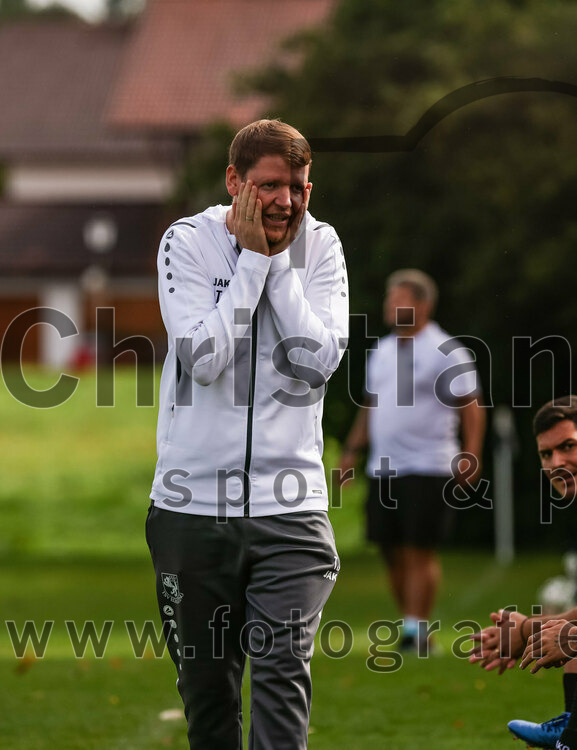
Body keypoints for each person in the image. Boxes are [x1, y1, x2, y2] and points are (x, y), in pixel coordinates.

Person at [146, 119, 348, 749]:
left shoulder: (323, 246)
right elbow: (204, 358)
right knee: (207, 700)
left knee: (283, 675)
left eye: (298, 186)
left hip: (293, 511)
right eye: (268, 186)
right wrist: (250, 266)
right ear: (233, 181)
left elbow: (317, 360)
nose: (285, 201)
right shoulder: (186, 241)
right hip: (190, 509)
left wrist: (271, 263)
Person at [339, 269, 485, 651]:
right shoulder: (383, 350)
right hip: (384, 467)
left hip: (429, 464)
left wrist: (472, 452)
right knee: (391, 550)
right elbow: (370, 407)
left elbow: (471, 406)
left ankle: (414, 631)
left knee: (420, 549)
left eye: (398, 299)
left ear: (422, 305)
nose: (390, 306)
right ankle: (413, 626)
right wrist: (351, 452)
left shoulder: (446, 349)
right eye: (390, 299)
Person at [471, 396, 577, 750]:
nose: (557, 462)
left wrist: (539, 631)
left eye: (569, 446)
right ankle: (576, 731)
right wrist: (535, 631)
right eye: (546, 454)